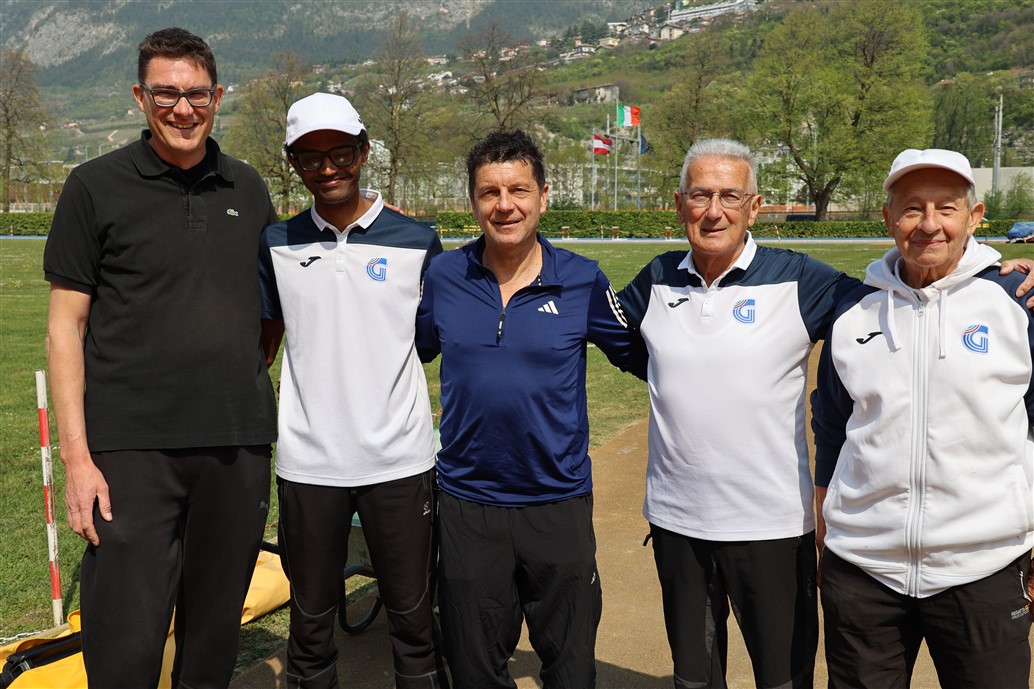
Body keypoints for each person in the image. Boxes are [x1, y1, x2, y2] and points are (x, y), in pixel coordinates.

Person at [615, 139, 1034, 689]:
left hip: (964, 562)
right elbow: (831, 422)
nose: (714, 211)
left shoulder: (1008, 300)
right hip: (839, 561)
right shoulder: (662, 277)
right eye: (700, 195)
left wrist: (1002, 276)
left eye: (730, 196)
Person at [43, 27, 277, 689]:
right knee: (125, 643)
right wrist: (77, 460)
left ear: (218, 97)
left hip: (235, 449)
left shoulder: (248, 188)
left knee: (212, 641)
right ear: (140, 96)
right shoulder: (94, 186)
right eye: (166, 93)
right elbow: (65, 327)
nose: (182, 108)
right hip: (129, 454)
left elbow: (269, 317)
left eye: (196, 94)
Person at [415, 129, 644, 689]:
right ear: (473, 202)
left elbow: (644, 357)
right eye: (489, 192)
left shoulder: (582, 279)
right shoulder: (443, 276)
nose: (505, 205)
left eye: (518, 190)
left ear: (543, 195)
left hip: (557, 500)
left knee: (570, 666)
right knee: (473, 667)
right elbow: (407, 353)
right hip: (468, 501)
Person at [811, 148, 1034, 689]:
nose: (929, 224)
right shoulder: (853, 311)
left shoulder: (1018, 303)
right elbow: (833, 429)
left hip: (985, 566)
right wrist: (824, 530)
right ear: (888, 218)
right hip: (863, 569)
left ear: (974, 218)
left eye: (946, 208)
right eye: (912, 208)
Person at [258, 92, 448, 689]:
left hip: (399, 460)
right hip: (308, 464)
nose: (328, 168)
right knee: (310, 626)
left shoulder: (417, 240)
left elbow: (428, 342)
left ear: (364, 153)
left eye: (341, 153)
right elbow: (265, 341)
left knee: (414, 621)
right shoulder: (275, 242)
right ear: (293, 163)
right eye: (310, 158)